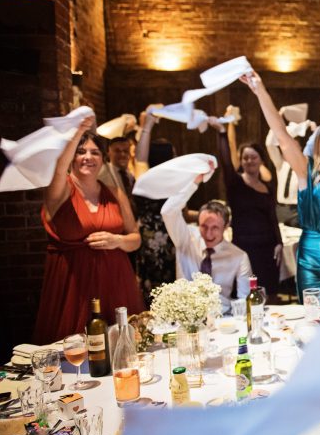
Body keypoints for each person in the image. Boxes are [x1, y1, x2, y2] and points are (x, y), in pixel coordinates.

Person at [240, 72, 320, 310]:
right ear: (318, 146)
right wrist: (259, 90)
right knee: (313, 323)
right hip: (313, 264)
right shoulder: (306, 172)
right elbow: (281, 134)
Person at [34, 118, 144, 343]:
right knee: (74, 354)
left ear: (103, 159)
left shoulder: (114, 192)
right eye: (81, 151)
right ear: (72, 157)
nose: (88, 157)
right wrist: (78, 133)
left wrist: (117, 241)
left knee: (123, 350)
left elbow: (135, 238)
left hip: (116, 280)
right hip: (74, 287)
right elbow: (58, 169)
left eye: (95, 153)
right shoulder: (60, 190)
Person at [208, 117, 283, 300]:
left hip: (268, 249)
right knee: (248, 295)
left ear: (261, 160)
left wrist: (279, 242)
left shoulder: (268, 187)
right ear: (241, 161)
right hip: (245, 248)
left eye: (253, 157)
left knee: (269, 295)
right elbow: (226, 161)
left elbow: (272, 217)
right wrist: (222, 133)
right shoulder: (235, 183)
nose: (249, 161)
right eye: (245, 158)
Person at [161, 170, 252, 314]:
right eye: (204, 226)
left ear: (226, 226)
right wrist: (193, 183)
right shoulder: (186, 238)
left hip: (221, 317)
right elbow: (168, 212)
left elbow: (245, 299)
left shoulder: (239, 256)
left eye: (215, 227)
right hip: (184, 315)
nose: (208, 234)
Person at [132, 105, 177, 305]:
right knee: (172, 291)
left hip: (149, 241)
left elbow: (140, 159)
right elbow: (141, 158)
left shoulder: (145, 180)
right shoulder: (175, 181)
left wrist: (147, 126)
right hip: (170, 240)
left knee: (152, 294)